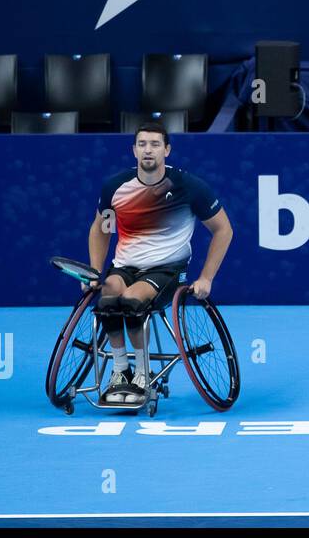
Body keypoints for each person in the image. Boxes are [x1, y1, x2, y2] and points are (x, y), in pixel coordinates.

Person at [88, 123, 233, 405]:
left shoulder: (189, 187)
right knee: (107, 297)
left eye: (155, 144)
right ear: (133, 151)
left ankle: (143, 373)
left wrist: (206, 278)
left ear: (166, 150)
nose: (148, 150)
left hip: (168, 271)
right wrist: (95, 270)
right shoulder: (115, 187)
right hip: (125, 267)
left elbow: (223, 230)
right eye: (142, 144)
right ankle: (120, 371)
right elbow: (100, 229)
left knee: (130, 301)